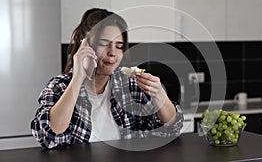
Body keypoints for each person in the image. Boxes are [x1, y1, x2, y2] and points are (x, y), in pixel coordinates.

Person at [30, 8, 183, 149]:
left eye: (119, 46)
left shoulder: (130, 86)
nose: (112, 53)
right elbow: (48, 137)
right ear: (84, 46)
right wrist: (77, 78)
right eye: (104, 44)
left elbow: (170, 130)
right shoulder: (59, 87)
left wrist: (159, 95)